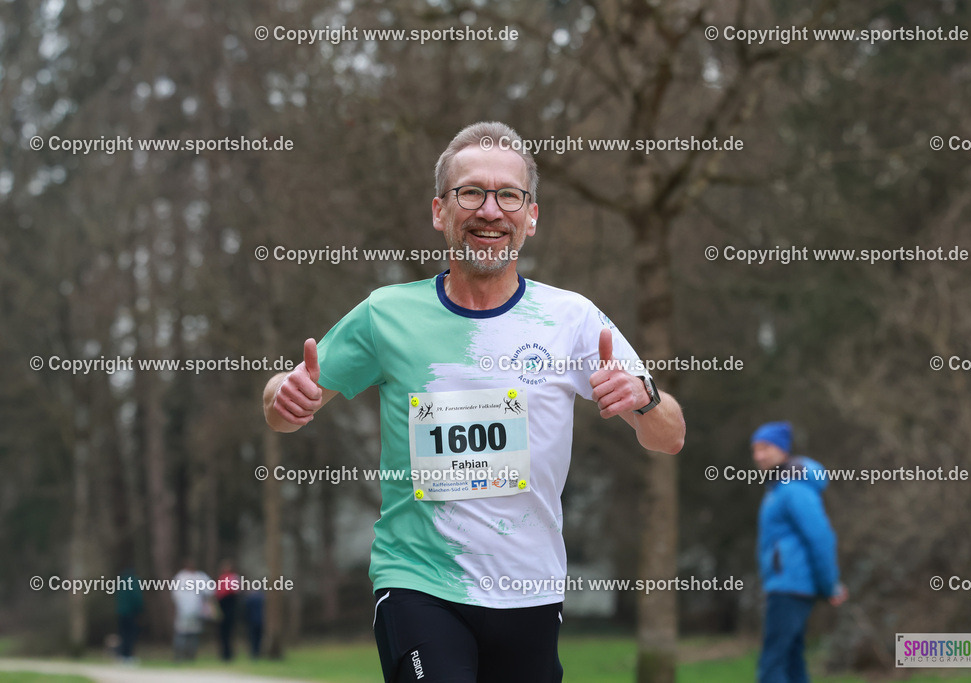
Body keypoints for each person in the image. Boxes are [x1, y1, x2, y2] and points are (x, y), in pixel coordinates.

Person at [263, 121, 685, 683]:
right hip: (418, 583)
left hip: (529, 588)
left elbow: (671, 435)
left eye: (509, 194)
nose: (490, 210)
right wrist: (283, 398)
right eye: (471, 192)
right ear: (440, 211)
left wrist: (645, 396)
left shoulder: (573, 320)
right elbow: (283, 399)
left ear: (531, 216)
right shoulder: (387, 315)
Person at [751, 421, 847, 683]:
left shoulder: (793, 489)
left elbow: (821, 537)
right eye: (755, 450)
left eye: (765, 448)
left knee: (773, 663)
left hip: (791, 586)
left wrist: (830, 585)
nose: (758, 456)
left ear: (783, 450)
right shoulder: (778, 488)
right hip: (785, 584)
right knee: (791, 661)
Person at [170, 559, 213, 662]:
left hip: (190, 610)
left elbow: (174, 595)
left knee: (187, 633)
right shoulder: (195, 577)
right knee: (186, 633)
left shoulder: (183, 577)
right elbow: (210, 591)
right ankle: (184, 656)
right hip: (189, 610)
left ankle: (185, 656)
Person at [115, 566, 143, 663]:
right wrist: (139, 610)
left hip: (121, 612)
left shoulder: (121, 582)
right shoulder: (134, 582)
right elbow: (137, 598)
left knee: (123, 635)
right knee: (130, 635)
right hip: (131, 613)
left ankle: (122, 655)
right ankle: (128, 656)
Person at [215, 559, 241, 660]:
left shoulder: (234, 578)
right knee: (222, 633)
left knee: (230, 632)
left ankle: (229, 653)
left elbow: (236, 591)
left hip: (231, 606)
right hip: (222, 607)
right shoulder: (221, 579)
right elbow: (218, 594)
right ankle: (224, 653)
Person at [243, 589, 265, 659]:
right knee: (259, 637)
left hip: (252, 621)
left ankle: (254, 653)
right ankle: (257, 652)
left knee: (253, 638)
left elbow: (247, 610)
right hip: (261, 620)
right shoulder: (262, 597)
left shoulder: (249, 599)